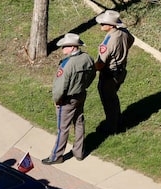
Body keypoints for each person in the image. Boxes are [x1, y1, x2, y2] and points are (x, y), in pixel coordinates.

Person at [42, 33, 96, 165]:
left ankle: (56, 156)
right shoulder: (87, 58)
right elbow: (93, 74)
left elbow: (60, 87)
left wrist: (57, 99)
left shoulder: (67, 64)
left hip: (66, 100)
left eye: (64, 47)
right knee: (79, 122)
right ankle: (79, 152)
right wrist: (83, 86)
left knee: (63, 128)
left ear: (72, 47)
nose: (62, 49)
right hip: (80, 96)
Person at [94, 10, 134, 135]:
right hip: (121, 72)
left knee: (108, 101)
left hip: (109, 76)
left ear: (111, 25)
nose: (101, 25)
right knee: (113, 98)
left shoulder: (109, 42)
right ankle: (118, 119)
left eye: (103, 23)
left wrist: (90, 69)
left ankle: (111, 128)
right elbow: (131, 40)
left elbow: (100, 64)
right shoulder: (124, 32)